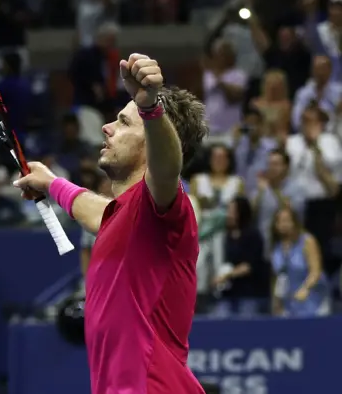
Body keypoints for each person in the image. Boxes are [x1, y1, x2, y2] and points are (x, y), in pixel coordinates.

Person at [14, 54, 208, 393]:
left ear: (153, 138)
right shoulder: (123, 216)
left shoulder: (167, 204)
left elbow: (166, 168)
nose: (107, 127)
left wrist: (149, 109)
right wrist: (51, 184)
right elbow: (96, 212)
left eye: (122, 122)